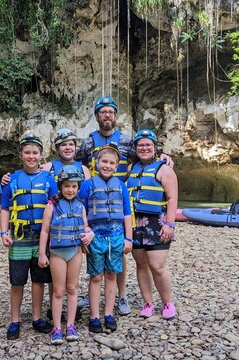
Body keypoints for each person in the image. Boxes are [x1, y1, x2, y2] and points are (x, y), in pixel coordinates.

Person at [74, 97, 173, 316]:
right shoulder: (89, 142)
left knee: (119, 253)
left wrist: (165, 156)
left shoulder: (127, 140)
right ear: (97, 116)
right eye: (103, 112)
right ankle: (94, 292)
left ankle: (122, 296)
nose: (107, 115)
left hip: (120, 204)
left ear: (115, 115)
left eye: (111, 111)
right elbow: (75, 163)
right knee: (96, 250)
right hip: (97, 205)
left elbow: (146, 156)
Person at [0, 133, 57, 340]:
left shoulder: (49, 181)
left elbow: (57, 205)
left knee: (39, 280)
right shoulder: (12, 179)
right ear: (21, 155)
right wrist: (4, 232)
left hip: (42, 239)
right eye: (27, 153)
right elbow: (5, 208)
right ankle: (14, 320)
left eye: (35, 153)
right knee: (17, 281)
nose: (31, 156)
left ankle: (36, 318)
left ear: (41, 156)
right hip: (19, 237)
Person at [77, 144, 133, 333]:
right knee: (95, 277)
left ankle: (108, 313)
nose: (107, 166)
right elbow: (81, 210)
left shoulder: (121, 186)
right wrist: (84, 234)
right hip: (96, 237)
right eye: (104, 162)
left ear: (117, 166)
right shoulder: (87, 185)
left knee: (111, 275)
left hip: (116, 237)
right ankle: (94, 316)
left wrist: (129, 239)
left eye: (111, 163)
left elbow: (127, 213)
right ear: (96, 163)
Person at [38, 165, 94, 345]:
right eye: (67, 186)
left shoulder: (80, 206)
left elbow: (85, 226)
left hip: (75, 252)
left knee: (73, 288)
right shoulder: (51, 206)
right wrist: (42, 254)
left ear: (78, 187)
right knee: (58, 291)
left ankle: (71, 325)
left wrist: (89, 233)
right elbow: (45, 231)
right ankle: (56, 327)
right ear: (61, 187)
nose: (70, 190)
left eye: (74, 186)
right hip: (57, 254)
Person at [127, 129, 178, 320]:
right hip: (135, 223)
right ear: (136, 148)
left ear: (155, 147)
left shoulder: (164, 168)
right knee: (141, 264)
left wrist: (170, 225)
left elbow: (172, 198)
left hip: (157, 223)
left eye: (148, 145)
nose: (144, 148)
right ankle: (148, 303)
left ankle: (167, 303)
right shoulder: (132, 168)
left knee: (157, 265)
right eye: (140, 145)